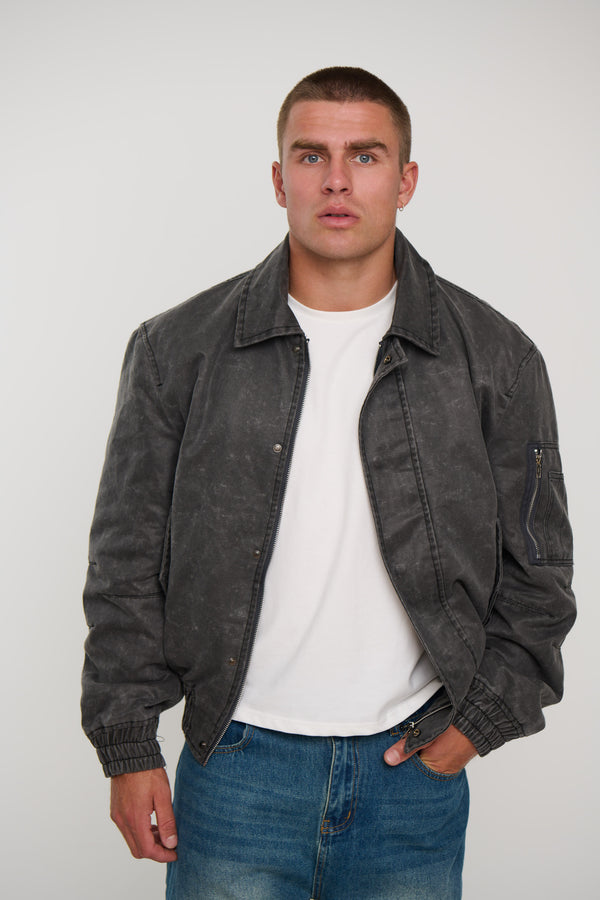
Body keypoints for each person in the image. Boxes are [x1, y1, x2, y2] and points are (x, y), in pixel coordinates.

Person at [82, 67, 575, 899]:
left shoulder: (496, 358)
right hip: (234, 768)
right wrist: (128, 747)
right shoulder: (178, 350)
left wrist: (479, 722)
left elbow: (540, 572)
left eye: (365, 156)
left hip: (411, 778)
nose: (337, 180)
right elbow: (124, 563)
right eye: (312, 156)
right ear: (280, 180)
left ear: (405, 180)